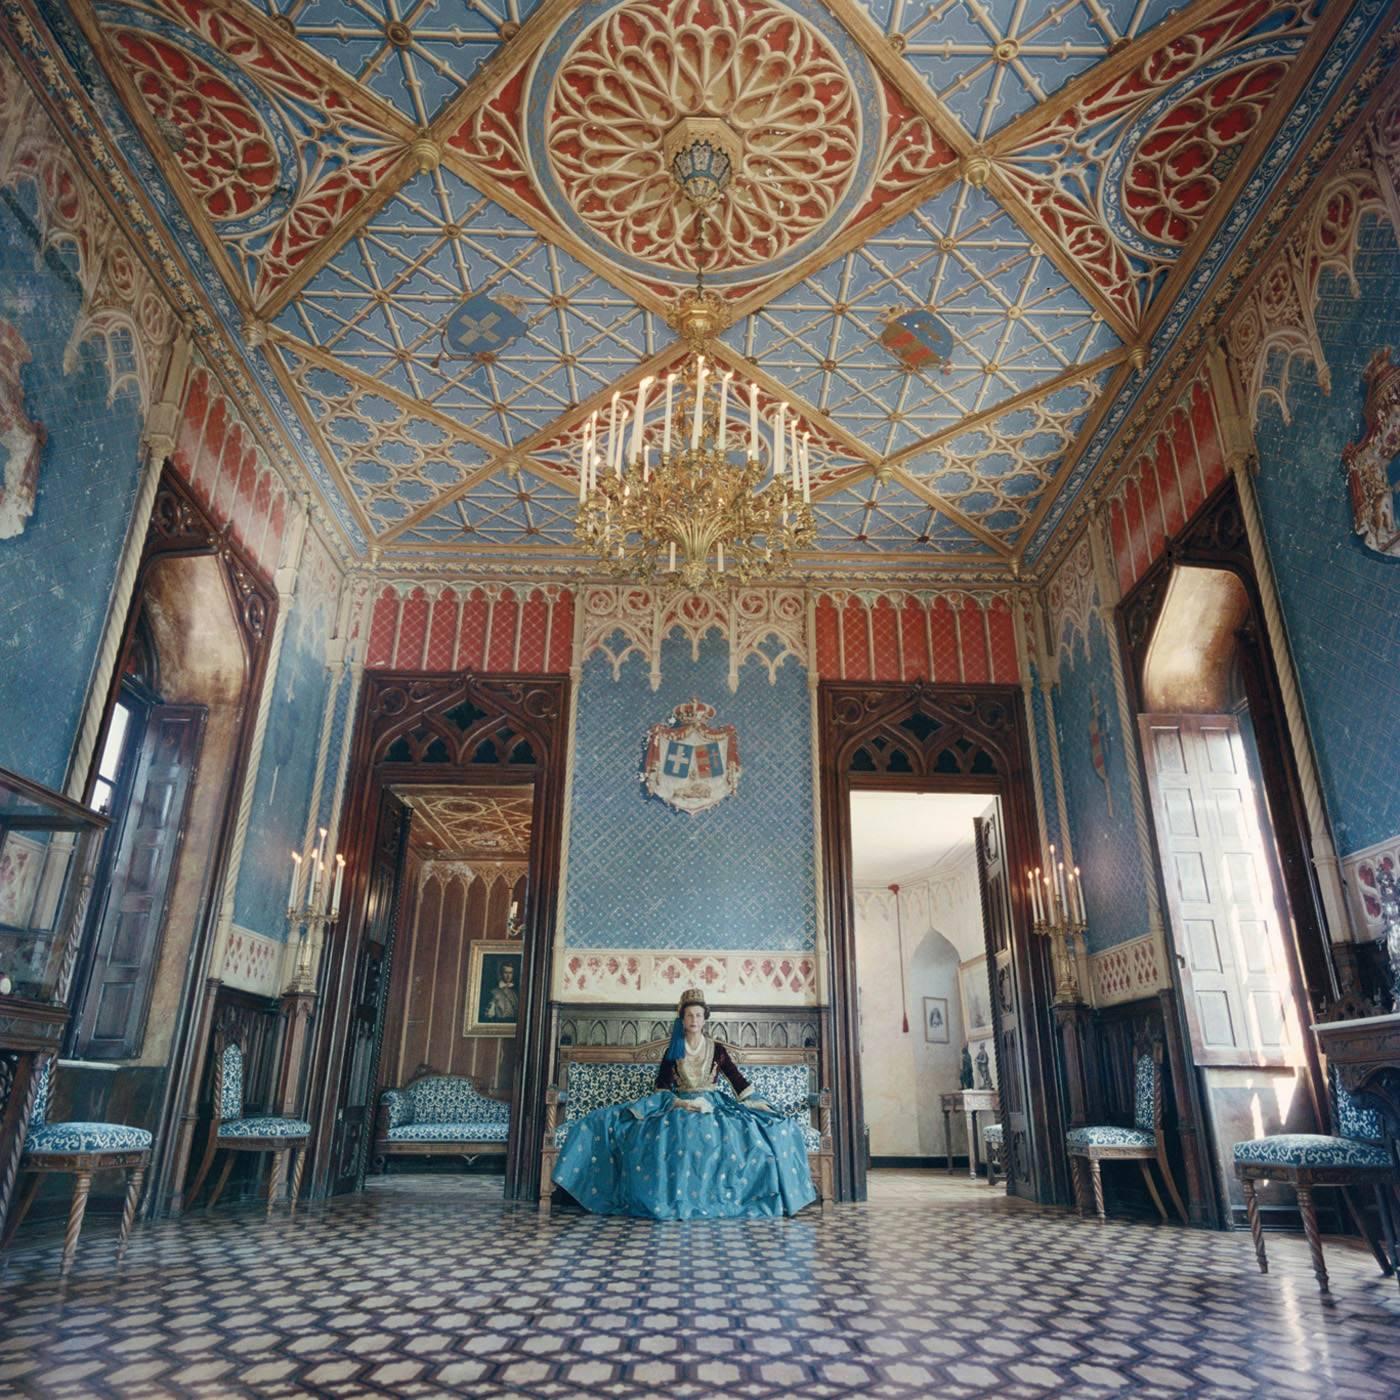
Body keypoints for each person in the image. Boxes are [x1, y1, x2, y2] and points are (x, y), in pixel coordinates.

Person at [552, 988, 817, 1219]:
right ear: (682, 1018)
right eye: (689, 1015)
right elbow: (661, 1089)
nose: (694, 1020)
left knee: (743, 1133)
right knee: (667, 1137)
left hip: (714, 1103)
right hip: (678, 1105)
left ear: (705, 1019)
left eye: (699, 1015)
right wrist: (681, 1104)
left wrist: (756, 1103)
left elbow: (738, 1081)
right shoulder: (673, 1049)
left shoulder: (717, 1049)